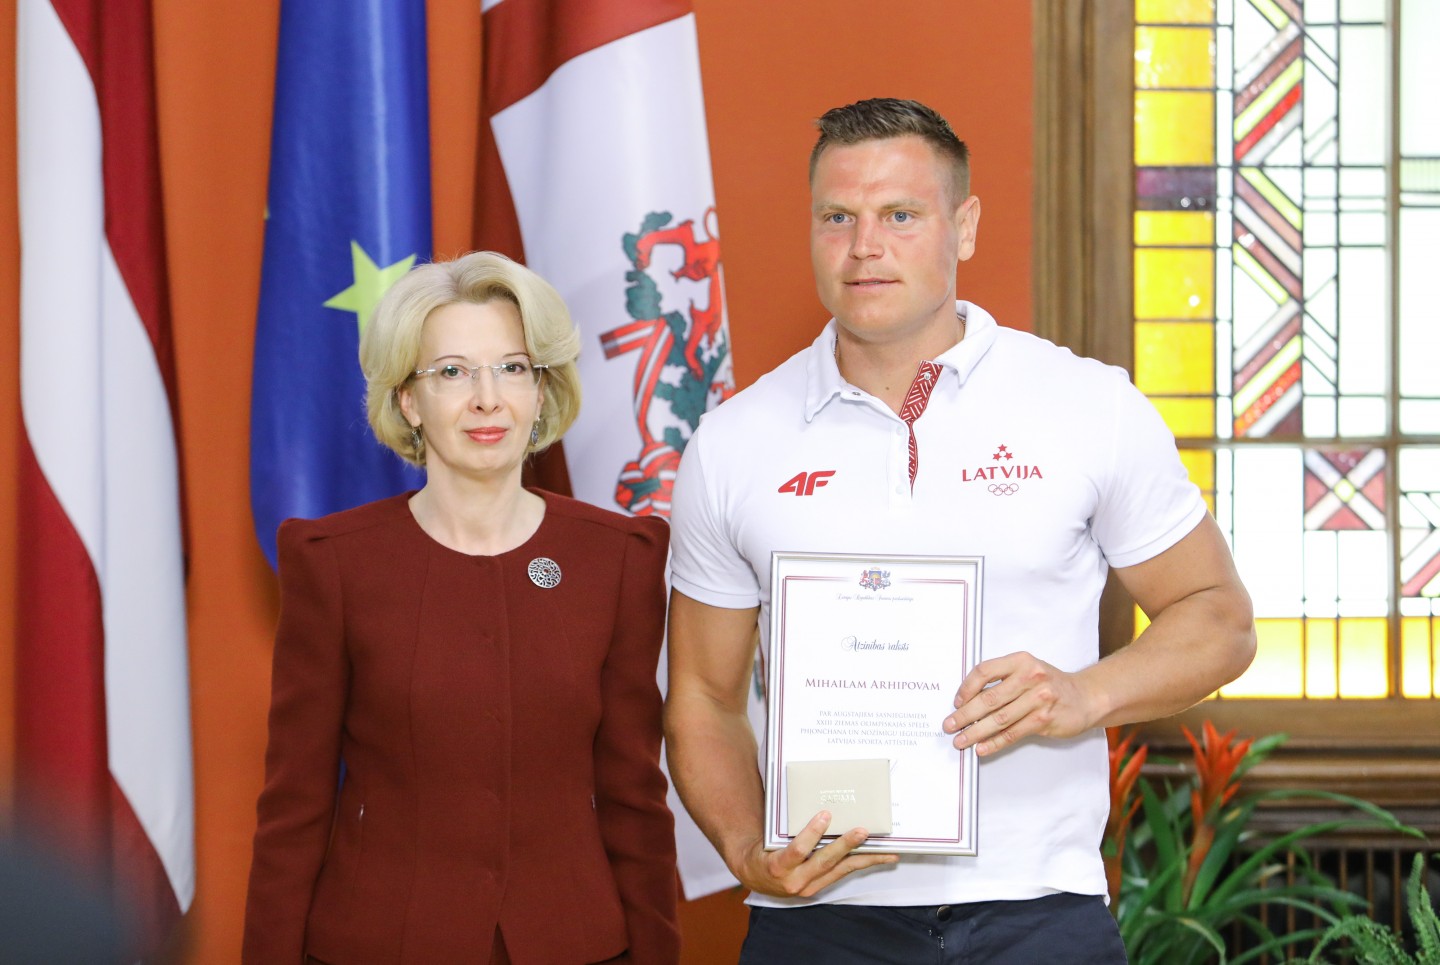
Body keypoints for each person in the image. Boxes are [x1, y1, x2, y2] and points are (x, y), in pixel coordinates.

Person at [663, 98, 1256, 963]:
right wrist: (746, 845)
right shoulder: (733, 443)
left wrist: (1084, 693)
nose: (865, 246)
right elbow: (703, 696)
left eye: (900, 215)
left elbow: (1220, 617)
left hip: (1039, 912)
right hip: (819, 921)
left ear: (965, 225)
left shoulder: (1089, 406)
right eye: (838, 217)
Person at [243, 251, 680, 964]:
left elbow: (634, 799)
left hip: (574, 944)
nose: (487, 398)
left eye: (512, 368)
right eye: (452, 372)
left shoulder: (619, 558)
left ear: (542, 390)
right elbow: (294, 809)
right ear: (408, 401)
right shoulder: (334, 563)